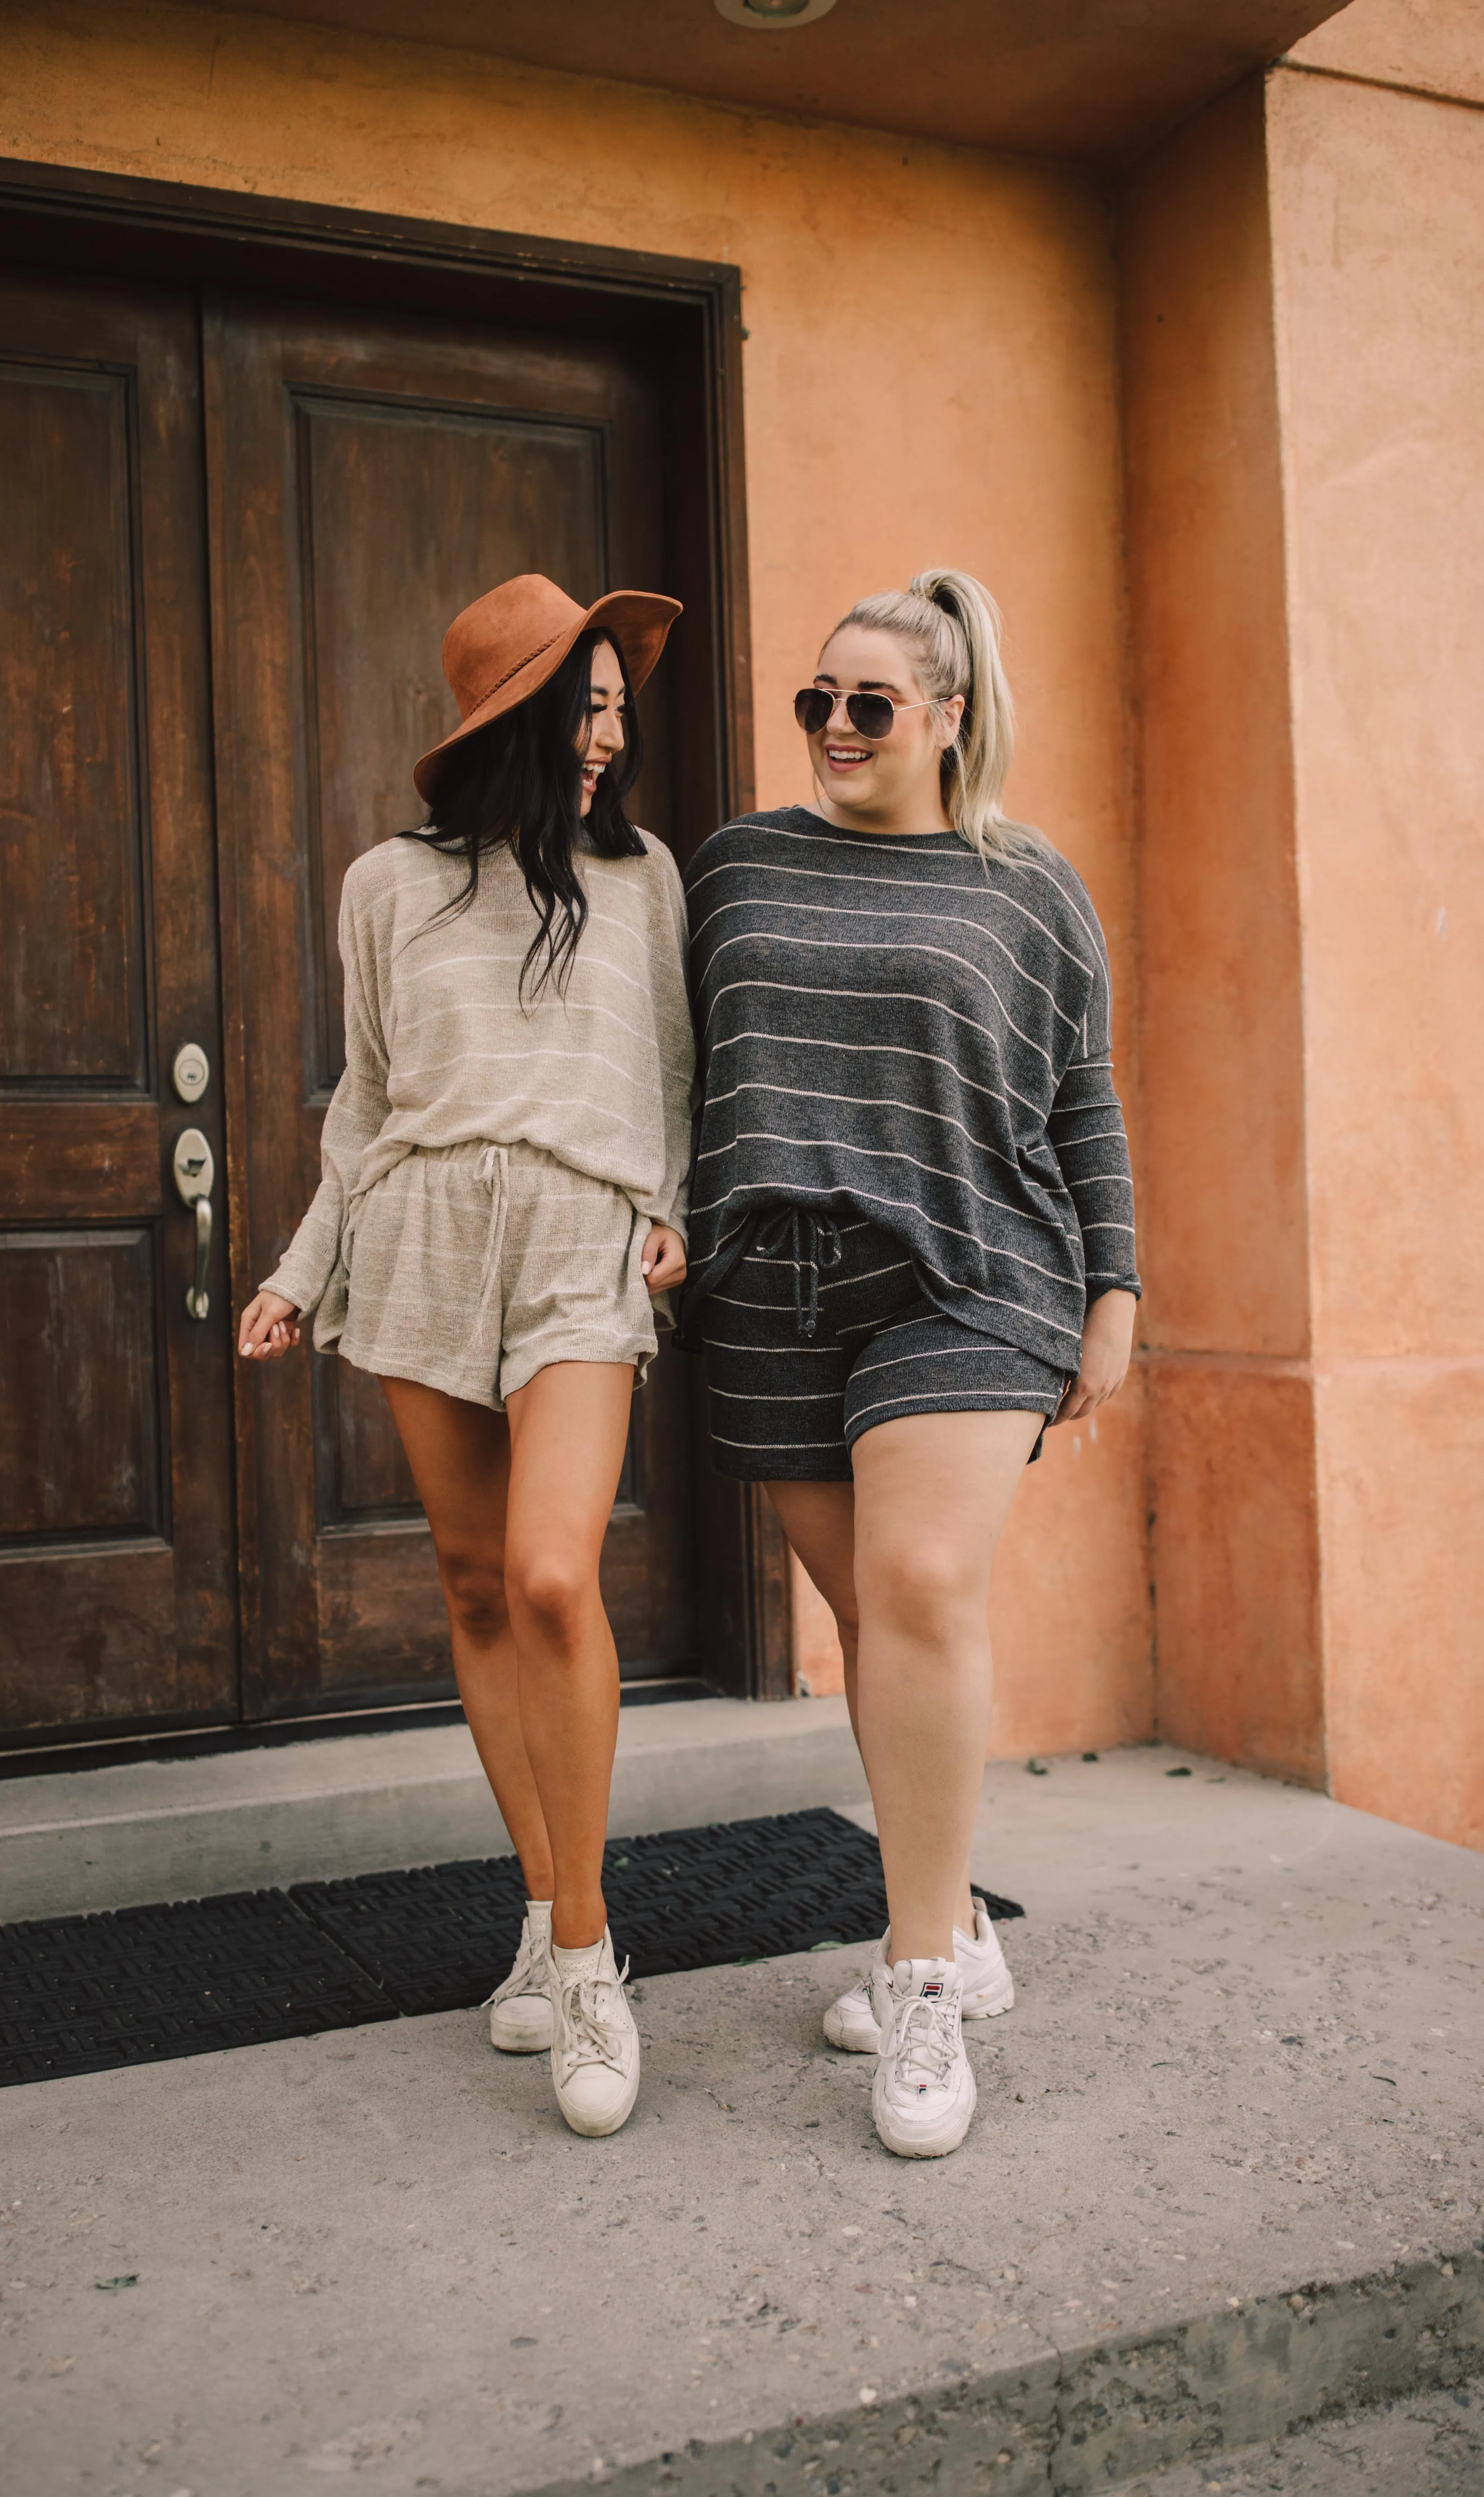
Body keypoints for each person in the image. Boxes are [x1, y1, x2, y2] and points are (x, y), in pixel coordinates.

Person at [679, 569, 1138, 2159]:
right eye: (817, 702)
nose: (835, 729)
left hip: (975, 1271)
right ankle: (951, 1917)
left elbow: (1081, 1100)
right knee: (877, 1621)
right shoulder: (735, 868)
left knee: (928, 1586)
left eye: (869, 705)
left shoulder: (1028, 888)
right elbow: (672, 1066)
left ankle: (924, 1975)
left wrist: (1117, 1286)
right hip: (774, 1291)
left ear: (948, 718)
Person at [237, 574, 693, 2141]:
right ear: (518, 714)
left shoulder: (644, 880)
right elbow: (363, 1109)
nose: (612, 727)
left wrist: (673, 1210)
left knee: (555, 1574)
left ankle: (587, 1960)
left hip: (578, 1244)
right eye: (591, 698)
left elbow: (676, 1085)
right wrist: (303, 1269)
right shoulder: (387, 885)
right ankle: (545, 1899)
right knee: (474, 1578)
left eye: (622, 700)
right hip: (421, 1238)